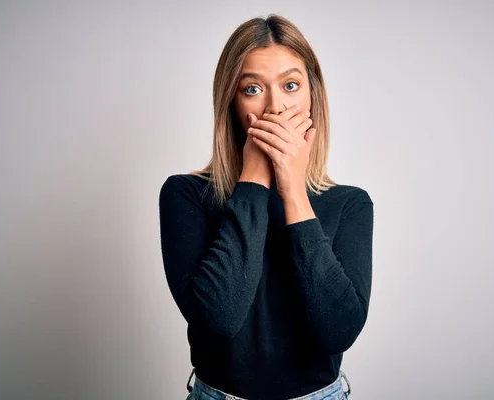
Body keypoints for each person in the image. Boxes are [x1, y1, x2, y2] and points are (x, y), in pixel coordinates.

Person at [159, 14, 374, 400]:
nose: (276, 107)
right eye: (253, 88)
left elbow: (338, 331)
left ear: (313, 96)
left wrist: (293, 189)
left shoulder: (350, 204)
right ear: (231, 102)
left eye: (291, 85)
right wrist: (255, 176)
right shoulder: (185, 195)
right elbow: (218, 320)